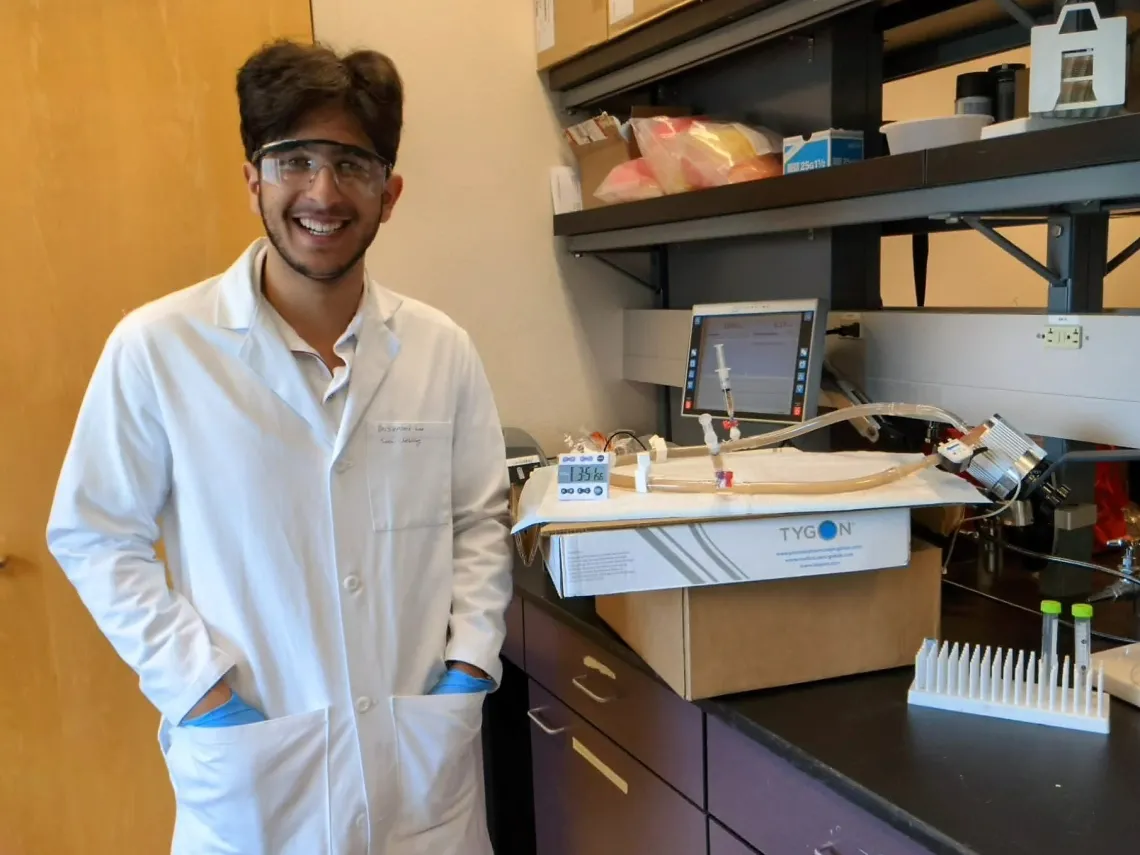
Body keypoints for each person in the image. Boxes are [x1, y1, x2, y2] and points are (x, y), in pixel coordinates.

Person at [46, 39, 512, 855]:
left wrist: (470, 664)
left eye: (352, 164)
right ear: (252, 179)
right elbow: (93, 533)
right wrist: (199, 691)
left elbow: (478, 520)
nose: (322, 192)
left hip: (421, 776)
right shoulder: (159, 347)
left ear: (390, 192)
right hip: (257, 777)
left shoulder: (441, 347)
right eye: (292, 159)